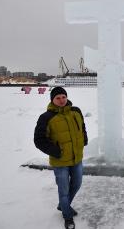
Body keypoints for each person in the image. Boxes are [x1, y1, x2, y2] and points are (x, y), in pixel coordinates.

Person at [34, 87, 88, 229]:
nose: (61, 100)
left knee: (77, 184)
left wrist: (84, 140)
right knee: (63, 190)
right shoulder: (46, 117)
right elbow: (39, 140)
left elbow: (82, 127)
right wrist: (56, 151)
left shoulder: (76, 111)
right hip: (60, 161)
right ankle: (67, 216)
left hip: (77, 157)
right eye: (58, 98)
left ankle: (62, 205)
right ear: (52, 100)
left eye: (63, 97)